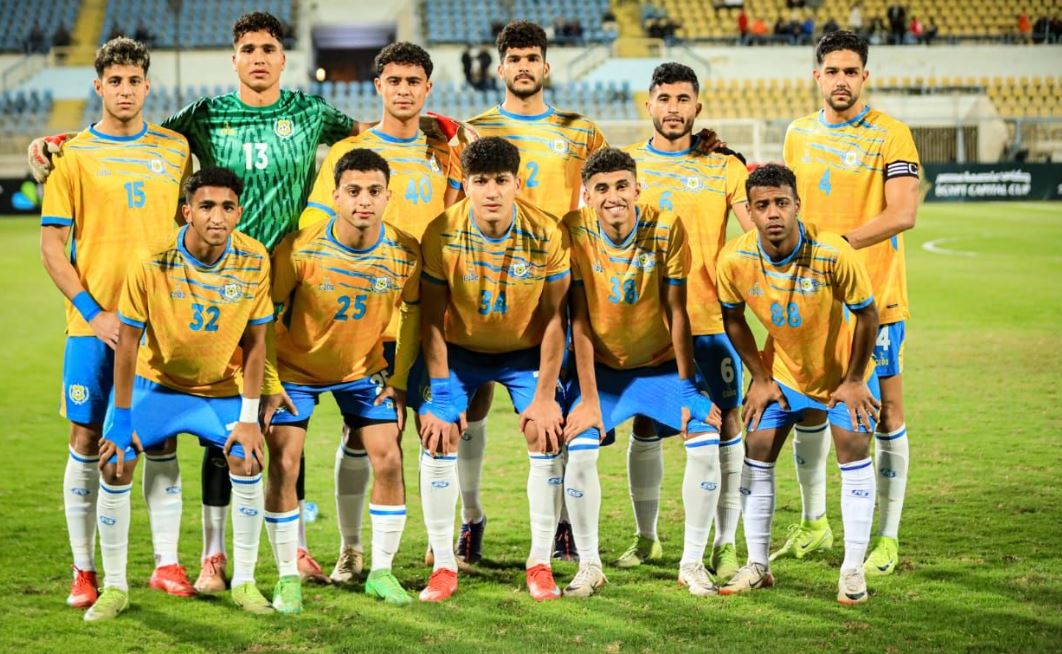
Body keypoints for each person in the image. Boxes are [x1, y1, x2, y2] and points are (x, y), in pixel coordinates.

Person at [297, 41, 463, 585]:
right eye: (394, 81)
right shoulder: (352, 150)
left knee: (439, 431)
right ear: (378, 87)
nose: (404, 91)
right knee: (363, 437)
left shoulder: (444, 153)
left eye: (414, 82)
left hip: (428, 317)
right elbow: (316, 226)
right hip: (365, 324)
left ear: (428, 88)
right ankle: (351, 550)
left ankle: (441, 551)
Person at [39, 37, 192, 612]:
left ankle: (167, 562)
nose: (125, 91)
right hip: (93, 327)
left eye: (134, 81)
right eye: (115, 81)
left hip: (160, 325)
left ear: (147, 86)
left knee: (161, 439)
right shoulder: (73, 156)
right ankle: (84, 571)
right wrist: (93, 312)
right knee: (85, 440)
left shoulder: (175, 150)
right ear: (98, 86)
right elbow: (53, 248)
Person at [92, 166, 276, 620]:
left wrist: (249, 418)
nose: (217, 216)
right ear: (187, 212)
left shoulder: (254, 258)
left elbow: (257, 344)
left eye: (227, 207)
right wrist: (121, 419)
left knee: (249, 458)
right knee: (115, 461)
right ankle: (114, 588)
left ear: (239, 213)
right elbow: (127, 344)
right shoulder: (152, 260)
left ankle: (245, 582)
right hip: (160, 386)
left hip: (220, 389)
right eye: (206, 206)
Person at [461, 20, 607, 564]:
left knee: (558, 403)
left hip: (557, 282)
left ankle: (563, 524)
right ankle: (470, 517)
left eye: (532, 58)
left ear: (546, 66)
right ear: (500, 68)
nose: (523, 67)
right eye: (514, 59)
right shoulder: (474, 131)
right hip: (486, 280)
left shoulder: (581, 132)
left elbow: (603, 198)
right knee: (473, 401)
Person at [781, 31, 919, 576]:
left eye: (851, 71)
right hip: (812, 301)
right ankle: (814, 522)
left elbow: (902, 213)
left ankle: (887, 537)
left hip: (875, 300)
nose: (841, 80)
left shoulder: (891, 134)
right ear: (817, 76)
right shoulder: (798, 133)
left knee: (887, 414)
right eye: (832, 71)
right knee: (809, 407)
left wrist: (840, 245)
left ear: (865, 76)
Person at [412, 137, 570, 603]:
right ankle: (443, 566)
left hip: (523, 352)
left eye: (501, 180)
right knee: (437, 433)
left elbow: (556, 320)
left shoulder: (546, 232)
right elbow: (430, 321)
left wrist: (545, 397)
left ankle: (540, 564)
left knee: (545, 433)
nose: (492, 191)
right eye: (481, 181)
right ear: (466, 185)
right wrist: (441, 394)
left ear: (518, 183)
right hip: (460, 351)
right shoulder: (441, 232)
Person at [264, 149, 422, 611]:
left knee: (389, 458)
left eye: (374, 191)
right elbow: (263, 317)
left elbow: (413, 312)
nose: (363, 201)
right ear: (335, 196)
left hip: (361, 371)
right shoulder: (299, 248)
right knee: (285, 462)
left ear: (388, 196)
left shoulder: (404, 251)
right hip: (296, 372)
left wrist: (399, 379)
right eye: (353, 191)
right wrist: (269, 382)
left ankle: (382, 572)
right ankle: (287, 577)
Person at [715, 163, 880, 606]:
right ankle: (757, 565)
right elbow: (732, 317)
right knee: (757, 445)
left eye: (781, 203)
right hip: (784, 374)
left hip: (843, 373)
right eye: (762, 205)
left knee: (853, 448)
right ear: (749, 211)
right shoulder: (733, 259)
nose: (773, 213)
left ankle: (852, 570)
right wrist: (760, 377)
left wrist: (854, 379)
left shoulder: (832, 252)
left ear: (797, 205)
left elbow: (868, 314)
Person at [560, 147, 719, 598]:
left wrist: (688, 388)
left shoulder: (666, 226)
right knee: (580, 450)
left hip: (659, 367)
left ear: (637, 188)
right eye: (602, 188)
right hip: (603, 372)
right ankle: (589, 565)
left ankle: (692, 564)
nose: (613, 196)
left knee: (706, 442)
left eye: (621, 186)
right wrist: (589, 399)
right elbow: (578, 321)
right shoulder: (573, 229)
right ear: (587, 195)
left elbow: (677, 311)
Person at [619, 63, 751, 580]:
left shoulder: (725, 167)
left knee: (727, 423)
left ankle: (726, 544)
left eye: (682, 99)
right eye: (664, 98)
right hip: (647, 326)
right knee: (646, 423)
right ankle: (646, 538)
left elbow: (754, 236)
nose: (673, 108)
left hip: (710, 320)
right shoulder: (627, 166)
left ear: (697, 106)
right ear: (648, 104)